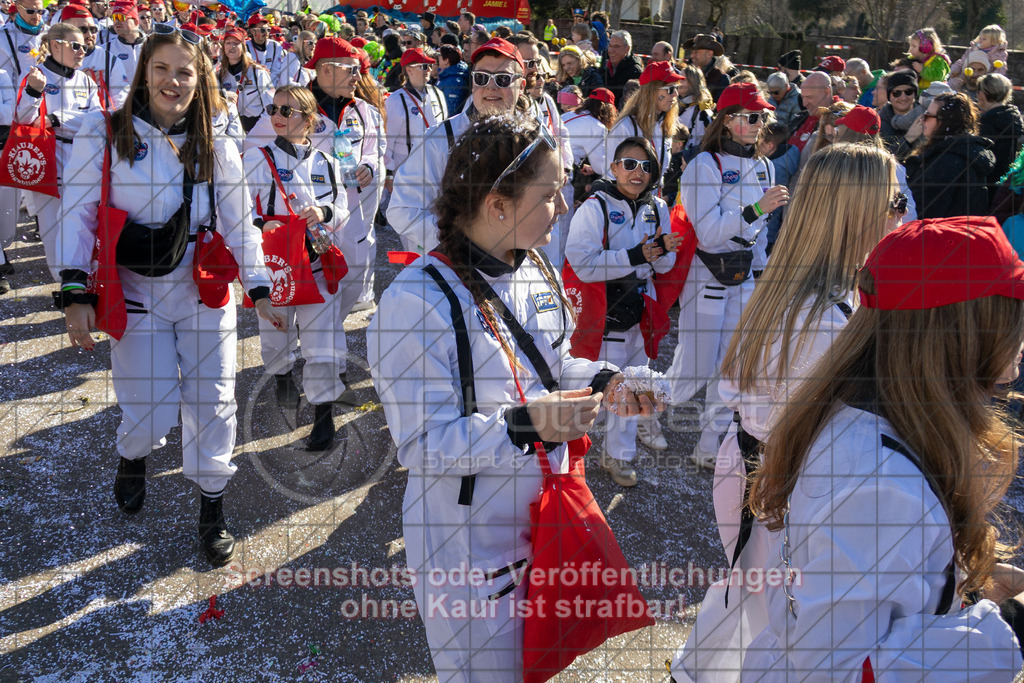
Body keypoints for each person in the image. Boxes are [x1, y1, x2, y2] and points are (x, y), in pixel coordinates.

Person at [369, 113, 656, 682]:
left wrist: (607, 380)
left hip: (544, 516)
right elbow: (423, 445)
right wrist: (529, 425)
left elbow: (549, 364)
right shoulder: (414, 303)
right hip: (469, 544)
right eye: (549, 195)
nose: (563, 208)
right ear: (498, 204)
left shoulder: (533, 269)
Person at [713, 215, 1024, 680]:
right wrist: (1009, 628)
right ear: (964, 333)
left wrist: (949, 582)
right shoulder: (879, 480)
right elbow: (837, 671)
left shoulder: (870, 419)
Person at [671, 143, 905, 679]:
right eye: (894, 201)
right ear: (856, 210)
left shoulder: (817, 290)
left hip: (766, 478)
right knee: (782, 630)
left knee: (753, 608)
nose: (903, 213)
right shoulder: (821, 315)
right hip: (781, 488)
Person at [57, 26, 283, 566]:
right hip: (134, 290)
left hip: (202, 291)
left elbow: (240, 223)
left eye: (185, 71)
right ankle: (133, 456)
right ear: (144, 72)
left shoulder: (216, 142)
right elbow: (79, 211)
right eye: (162, 69)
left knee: (214, 400)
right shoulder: (104, 132)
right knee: (151, 410)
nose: (173, 81)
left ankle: (212, 506)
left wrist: (260, 287)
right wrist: (73, 291)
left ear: (199, 78)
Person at [666, 83, 788, 467]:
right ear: (728, 119)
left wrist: (762, 274)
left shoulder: (765, 165)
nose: (759, 124)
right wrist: (754, 209)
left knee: (732, 367)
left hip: (743, 277)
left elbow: (762, 233)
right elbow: (710, 233)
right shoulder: (705, 164)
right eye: (752, 117)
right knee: (694, 368)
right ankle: (641, 411)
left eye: (763, 117)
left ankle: (708, 446)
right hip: (706, 275)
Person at [565, 137, 680, 486]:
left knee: (634, 388)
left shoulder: (657, 208)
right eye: (629, 164)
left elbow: (669, 260)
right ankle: (564, 455)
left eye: (646, 166)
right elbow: (581, 264)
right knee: (590, 392)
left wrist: (656, 252)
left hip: (641, 313)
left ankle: (617, 456)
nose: (637, 172)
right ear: (613, 168)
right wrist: (636, 256)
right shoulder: (594, 207)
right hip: (605, 314)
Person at [242, 85, 350, 449]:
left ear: (309, 120)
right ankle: (283, 376)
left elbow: (342, 207)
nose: (277, 115)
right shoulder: (256, 157)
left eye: (288, 111)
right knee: (276, 337)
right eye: (274, 108)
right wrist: (261, 225)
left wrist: (324, 212)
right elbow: (239, 208)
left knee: (323, 346)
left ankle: (323, 413)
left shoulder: (326, 162)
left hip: (318, 266)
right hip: (278, 269)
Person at [390, 37, 549, 254]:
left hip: (519, 259)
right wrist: (464, 242)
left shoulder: (536, 137)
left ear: (521, 85)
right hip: (457, 263)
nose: (490, 87)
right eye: (482, 78)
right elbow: (403, 209)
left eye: (502, 79)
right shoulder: (439, 138)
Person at [16, 22, 102, 281]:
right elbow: (23, 119)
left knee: (83, 226)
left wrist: (56, 119)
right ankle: (63, 284)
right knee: (53, 230)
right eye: (76, 46)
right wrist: (33, 91)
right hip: (46, 163)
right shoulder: (36, 75)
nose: (82, 52)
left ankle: (85, 281)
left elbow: (96, 119)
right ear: (55, 45)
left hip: (81, 161)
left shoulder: (86, 80)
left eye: (85, 48)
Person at [902, 92, 994, 218]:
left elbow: (924, 212)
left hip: (942, 234)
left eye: (928, 115)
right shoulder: (966, 152)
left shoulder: (945, 161)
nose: (922, 119)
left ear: (944, 122)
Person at [830, 104, 918, 221]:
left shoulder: (837, 166)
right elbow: (909, 215)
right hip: (886, 234)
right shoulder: (893, 168)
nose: (834, 138)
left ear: (846, 134)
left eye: (837, 132)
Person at [603, 60, 680, 190]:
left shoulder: (664, 125)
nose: (676, 94)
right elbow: (611, 173)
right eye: (670, 89)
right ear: (652, 91)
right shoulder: (626, 126)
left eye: (677, 88)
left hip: (651, 202)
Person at [383, 47, 447, 188]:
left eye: (430, 66)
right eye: (423, 66)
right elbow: (387, 141)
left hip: (435, 169)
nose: (428, 70)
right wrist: (388, 173)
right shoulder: (395, 100)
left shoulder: (438, 94)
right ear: (409, 70)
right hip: (406, 173)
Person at [219, 26, 274, 133]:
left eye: (236, 43)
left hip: (257, 128)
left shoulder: (258, 72)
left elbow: (270, 105)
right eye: (228, 43)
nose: (232, 46)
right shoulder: (220, 74)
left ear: (243, 47)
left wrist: (260, 131)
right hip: (233, 128)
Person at [977, 73, 1023, 192]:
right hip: (1009, 184)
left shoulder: (985, 124)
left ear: (982, 94)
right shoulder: (1014, 119)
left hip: (987, 185)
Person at [949, 24, 1009, 91]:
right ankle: (952, 93)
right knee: (955, 81)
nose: (980, 41)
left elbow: (1001, 68)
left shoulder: (999, 53)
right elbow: (961, 61)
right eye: (980, 38)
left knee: (990, 87)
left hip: (986, 76)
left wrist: (993, 79)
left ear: (993, 41)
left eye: (984, 39)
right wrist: (954, 70)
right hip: (968, 72)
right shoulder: (973, 48)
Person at [878, 70, 923, 154]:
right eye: (896, 93)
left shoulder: (926, 115)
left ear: (915, 94)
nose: (903, 97)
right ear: (889, 96)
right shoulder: (880, 122)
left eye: (908, 92)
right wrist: (908, 138)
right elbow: (883, 157)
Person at [786, 71, 832, 151]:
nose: (804, 104)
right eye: (803, 98)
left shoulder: (837, 122)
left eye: (810, 97)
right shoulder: (801, 117)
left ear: (826, 92)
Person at [677, 63, 713, 155]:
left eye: (683, 79)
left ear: (693, 83)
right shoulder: (675, 104)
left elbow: (703, 142)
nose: (678, 81)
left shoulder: (702, 112)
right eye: (678, 77)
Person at [599, 30, 643, 108]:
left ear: (627, 49)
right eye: (610, 46)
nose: (611, 50)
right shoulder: (604, 66)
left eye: (616, 46)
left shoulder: (635, 72)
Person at [683, 33, 729, 101]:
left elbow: (718, 108)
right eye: (692, 52)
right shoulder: (684, 73)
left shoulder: (721, 79)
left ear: (709, 54)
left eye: (696, 52)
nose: (691, 56)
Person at [246, 12, 284, 84]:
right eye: (263, 30)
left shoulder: (275, 46)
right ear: (252, 31)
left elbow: (277, 71)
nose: (266, 33)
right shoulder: (244, 47)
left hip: (271, 86)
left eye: (268, 30)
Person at [435, 44, 469, 115]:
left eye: (440, 55)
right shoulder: (445, 76)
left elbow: (450, 109)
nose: (438, 57)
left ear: (446, 61)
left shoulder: (454, 81)